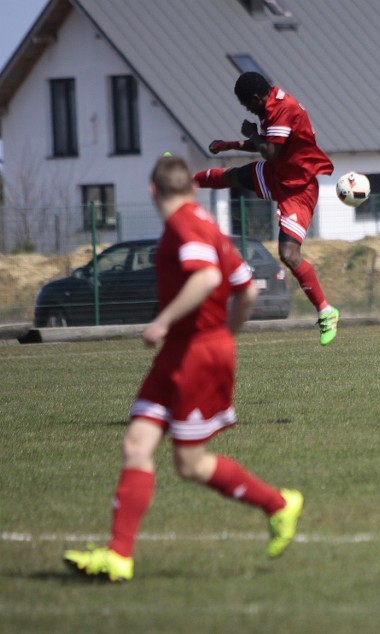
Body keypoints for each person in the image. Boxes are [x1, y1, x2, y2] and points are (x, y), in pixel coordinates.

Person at [64, 154, 303, 582]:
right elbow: (245, 290)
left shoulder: (183, 226)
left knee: (189, 464)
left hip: (195, 352)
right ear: (192, 187)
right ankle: (119, 556)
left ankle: (279, 504)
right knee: (136, 446)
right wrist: (227, 335)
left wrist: (165, 320)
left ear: (152, 191)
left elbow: (207, 279)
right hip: (186, 351)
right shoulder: (207, 224)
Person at [193, 71, 339, 346]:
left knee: (288, 254)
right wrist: (230, 144)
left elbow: (269, 149)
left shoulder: (282, 108)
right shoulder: (269, 105)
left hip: (298, 188)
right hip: (278, 174)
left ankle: (326, 312)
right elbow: (269, 145)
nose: (247, 109)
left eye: (246, 104)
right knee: (234, 177)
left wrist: (249, 134)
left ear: (257, 98)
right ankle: (184, 183)